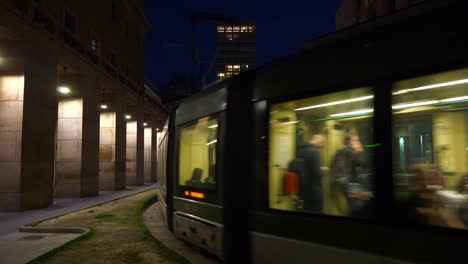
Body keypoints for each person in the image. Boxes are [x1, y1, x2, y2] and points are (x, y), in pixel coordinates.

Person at [330, 134, 370, 216]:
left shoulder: (338, 152)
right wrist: (360, 150)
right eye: (356, 140)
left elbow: (334, 166)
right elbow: (364, 164)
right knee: (357, 208)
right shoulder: (352, 152)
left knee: (349, 206)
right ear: (349, 142)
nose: (358, 142)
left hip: (342, 183)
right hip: (351, 183)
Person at [296, 134, 327, 213]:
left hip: (302, 188)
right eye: (322, 144)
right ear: (320, 141)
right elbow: (317, 173)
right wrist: (324, 170)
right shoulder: (315, 151)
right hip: (314, 190)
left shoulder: (300, 149)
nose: (321, 147)